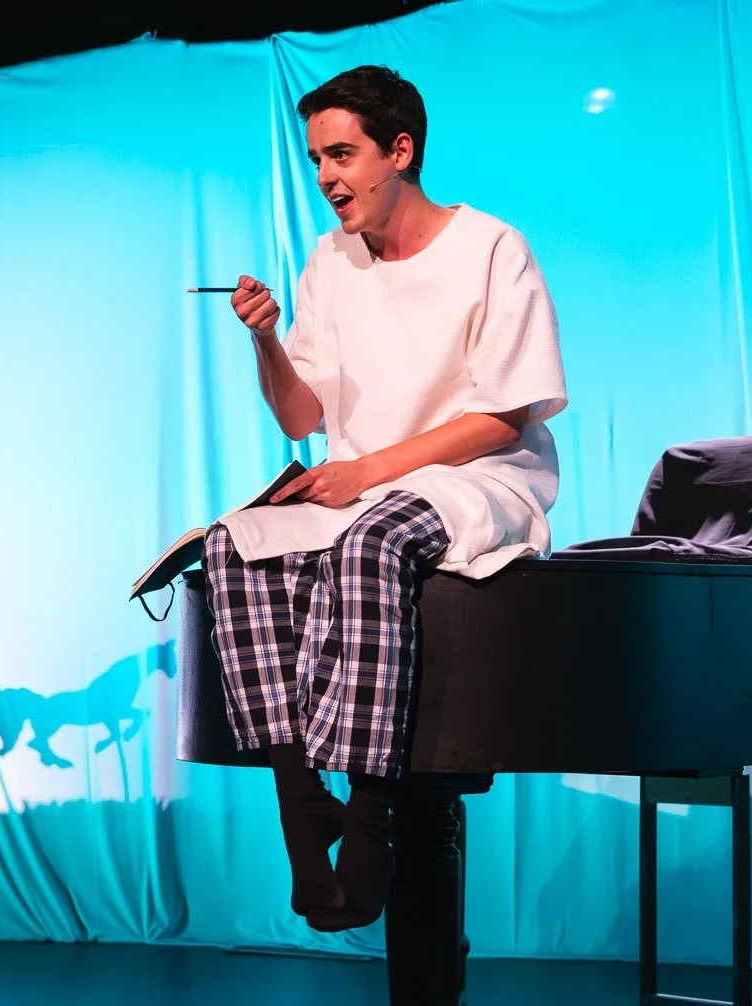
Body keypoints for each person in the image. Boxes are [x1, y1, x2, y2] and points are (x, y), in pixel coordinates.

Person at [207, 65, 567, 932]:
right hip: (363, 484)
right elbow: (302, 417)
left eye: (342, 154)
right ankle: (303, 807)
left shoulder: (490, 248)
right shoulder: (330, 261)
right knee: (231, 542)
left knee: (369, 541)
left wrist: (367, 473)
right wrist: (267, 341)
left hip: (479, 478)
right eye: (316, 159)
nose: (325, 176)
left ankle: (371, 823)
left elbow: (503, 414)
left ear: (399, 151)